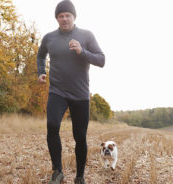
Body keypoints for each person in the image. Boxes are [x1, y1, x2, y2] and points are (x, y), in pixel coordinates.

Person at [37, 0, 105, 183]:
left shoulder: (86, 35)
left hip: (80, 94)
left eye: (68, 15)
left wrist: (82, 51)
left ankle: (80, 176)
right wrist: (41, 72)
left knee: (80, 136)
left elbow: (101, 60)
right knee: (52, 126)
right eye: (61, 16)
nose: (64, 19)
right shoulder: (49, 38)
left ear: (74, 17)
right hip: (57, 91)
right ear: (57, 18)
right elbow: (41, 54)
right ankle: (57, 171)